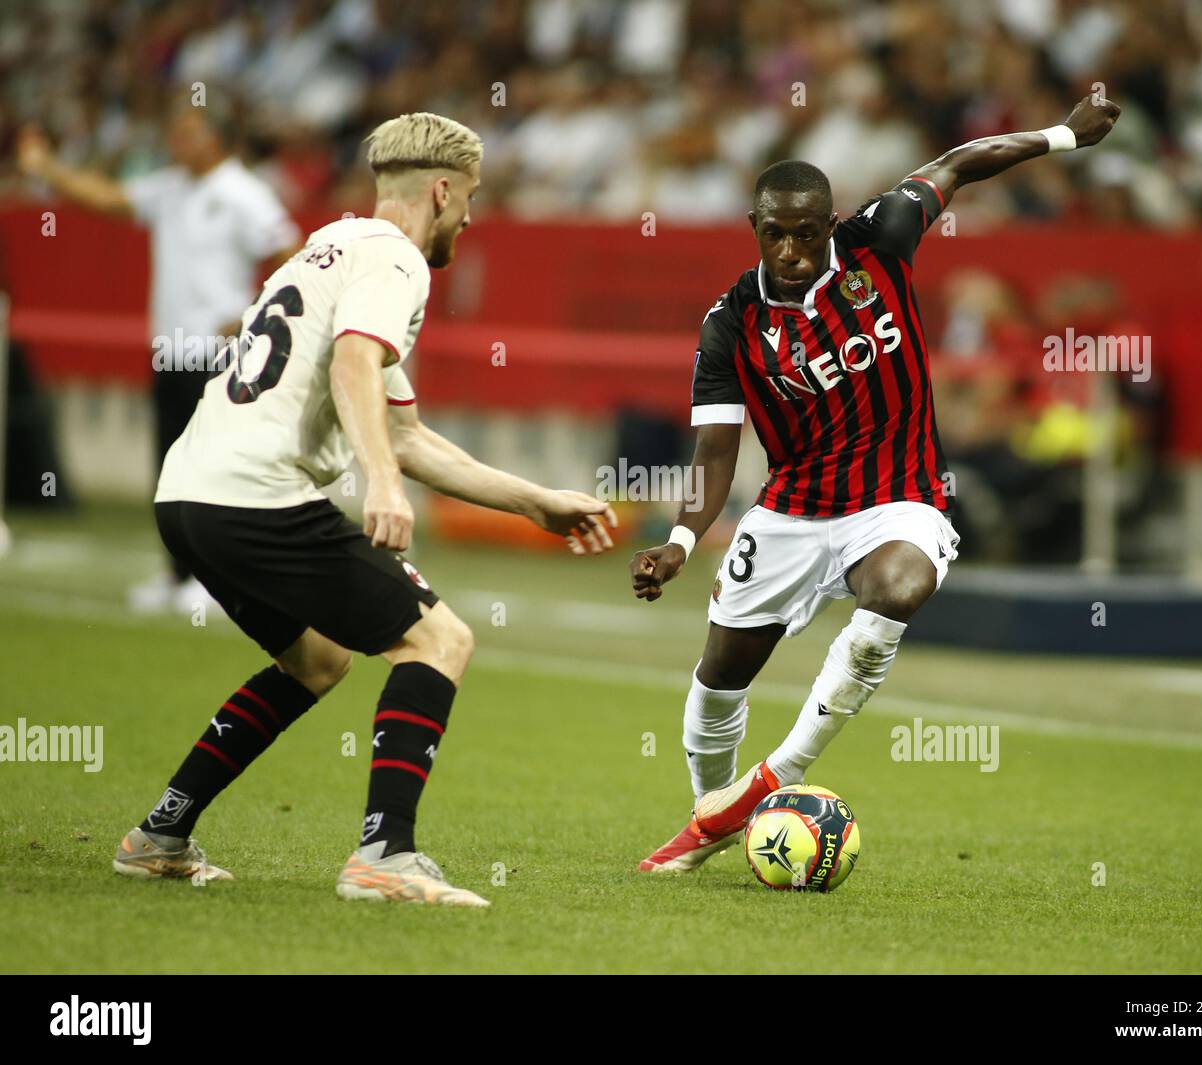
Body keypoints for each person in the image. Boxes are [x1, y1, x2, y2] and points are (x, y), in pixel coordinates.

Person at [110, 112, 617, 907]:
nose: (472, 216)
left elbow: (408, 434)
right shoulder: (398, 262)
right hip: (258, 493)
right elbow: (354, 367)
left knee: (317, 660)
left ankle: (159, 835)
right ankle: (386, 854)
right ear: (442, 191)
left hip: (188, 495)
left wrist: (535, 502)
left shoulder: (329, 248)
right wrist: (380, 484)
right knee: (438, 638)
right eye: (472, 198)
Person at [632, 94, 1121, 873]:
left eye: (805, 231)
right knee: (721, 675)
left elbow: (958, 163)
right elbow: (716, 449)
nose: (790, 249)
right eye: (774, 233)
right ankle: (711, 810)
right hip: (793, 510)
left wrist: (1063, 135)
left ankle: (780, 772)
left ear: (830, 224)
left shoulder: (880, 240)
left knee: (899, 586)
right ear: (754, 231)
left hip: (897, 495)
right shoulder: (729, 324)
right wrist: (683, 540)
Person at [15, 94, 301, 614]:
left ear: (215, 138)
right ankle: (177, 573)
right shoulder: (171, 189)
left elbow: (289, 254)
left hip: (219, 352)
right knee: (169, 467)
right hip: (171, 348)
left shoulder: (243, 193)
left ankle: (215, 579)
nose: (175, 142)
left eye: (187, 133)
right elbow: (106, 199)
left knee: (211, 467)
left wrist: (253, 315)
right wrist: (46, 167)